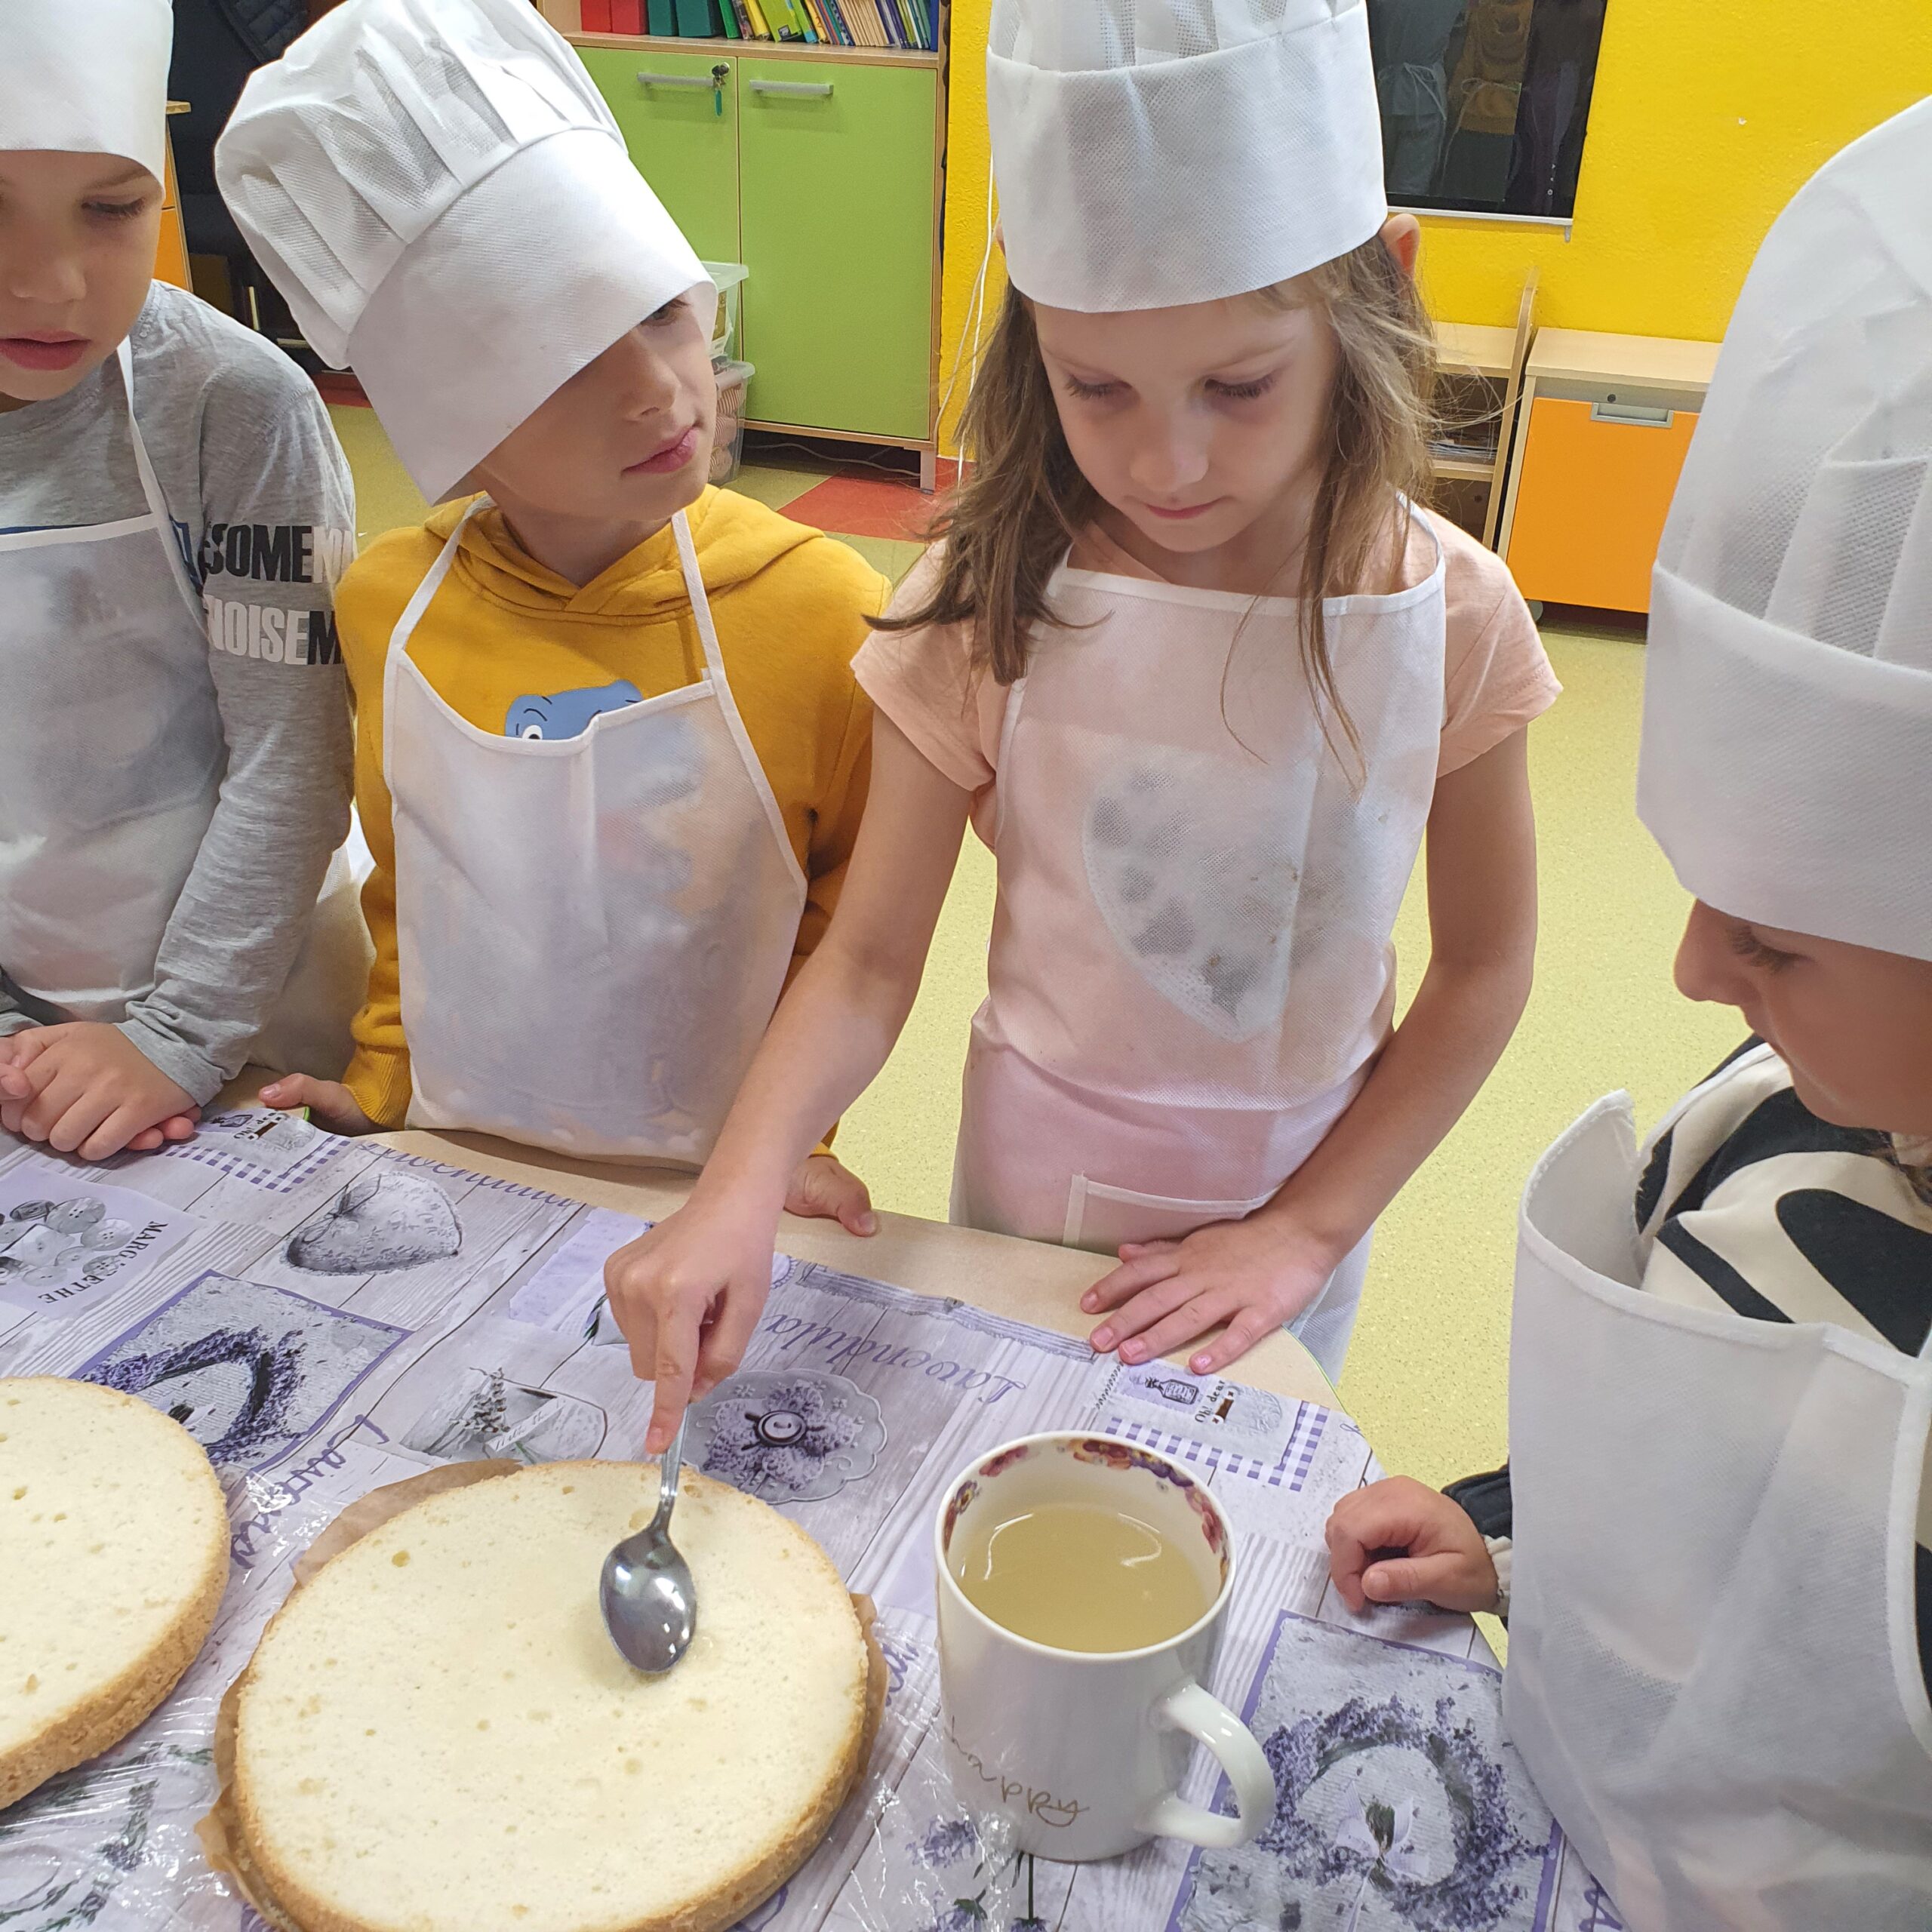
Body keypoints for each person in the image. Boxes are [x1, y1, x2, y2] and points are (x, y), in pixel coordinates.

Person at [606, 0, 1558, 1442]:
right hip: (1032, 1193)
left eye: (1239, 386)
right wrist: (738, 1183)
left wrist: (1304, 1232)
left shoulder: (1452, 613)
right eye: (1095, 388)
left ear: (1381, 285)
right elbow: (866, 962)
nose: (1167, 463)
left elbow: (1485, 967)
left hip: (1298, 1218)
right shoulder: (986, 596)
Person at [1326, 97, 1932, 1932]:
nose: (1683, 973)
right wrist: (1513, 1533)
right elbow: (1704, 1504)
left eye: (1772, 940)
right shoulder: (1796, 1093)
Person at [217, 0, 884, 1230]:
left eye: (663, 312)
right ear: (451, 429)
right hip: (463, 1166)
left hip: (715, 1185)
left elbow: (850, 930)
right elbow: (414, 894)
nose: (659, 390)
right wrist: (383, 1085)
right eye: (567, 364)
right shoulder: (389, 609)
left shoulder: (824, 612)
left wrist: (789, 1143)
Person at [0, 0, 365, 1163]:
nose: (52, 284)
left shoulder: (233, 407)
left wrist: (176, 1037)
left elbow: (291, 750)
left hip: (259, 1010)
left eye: (111, 209)